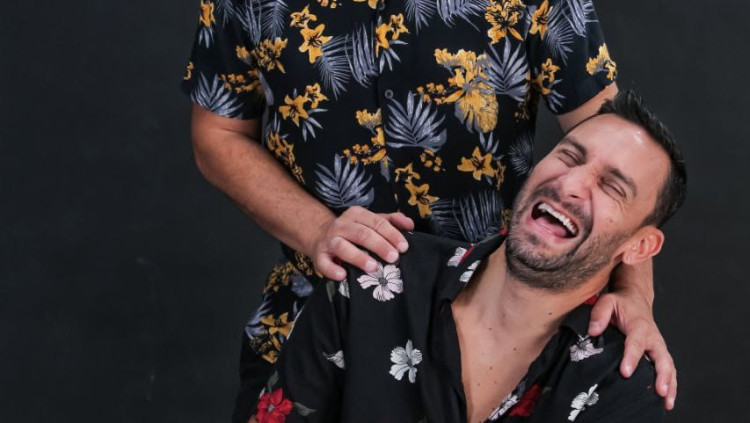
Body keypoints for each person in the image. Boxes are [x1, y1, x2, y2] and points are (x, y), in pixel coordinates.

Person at [180, 1, 676, 420]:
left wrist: (634, 294)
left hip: (508, 338)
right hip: (318, 322)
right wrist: (318, 230)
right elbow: (218, 134)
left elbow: (616, 151)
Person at [251, 90, 686, 423]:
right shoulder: (374, 279)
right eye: (569, 156)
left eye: (611, 187)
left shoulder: (622, 386)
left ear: (640, 247)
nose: (570, 184)